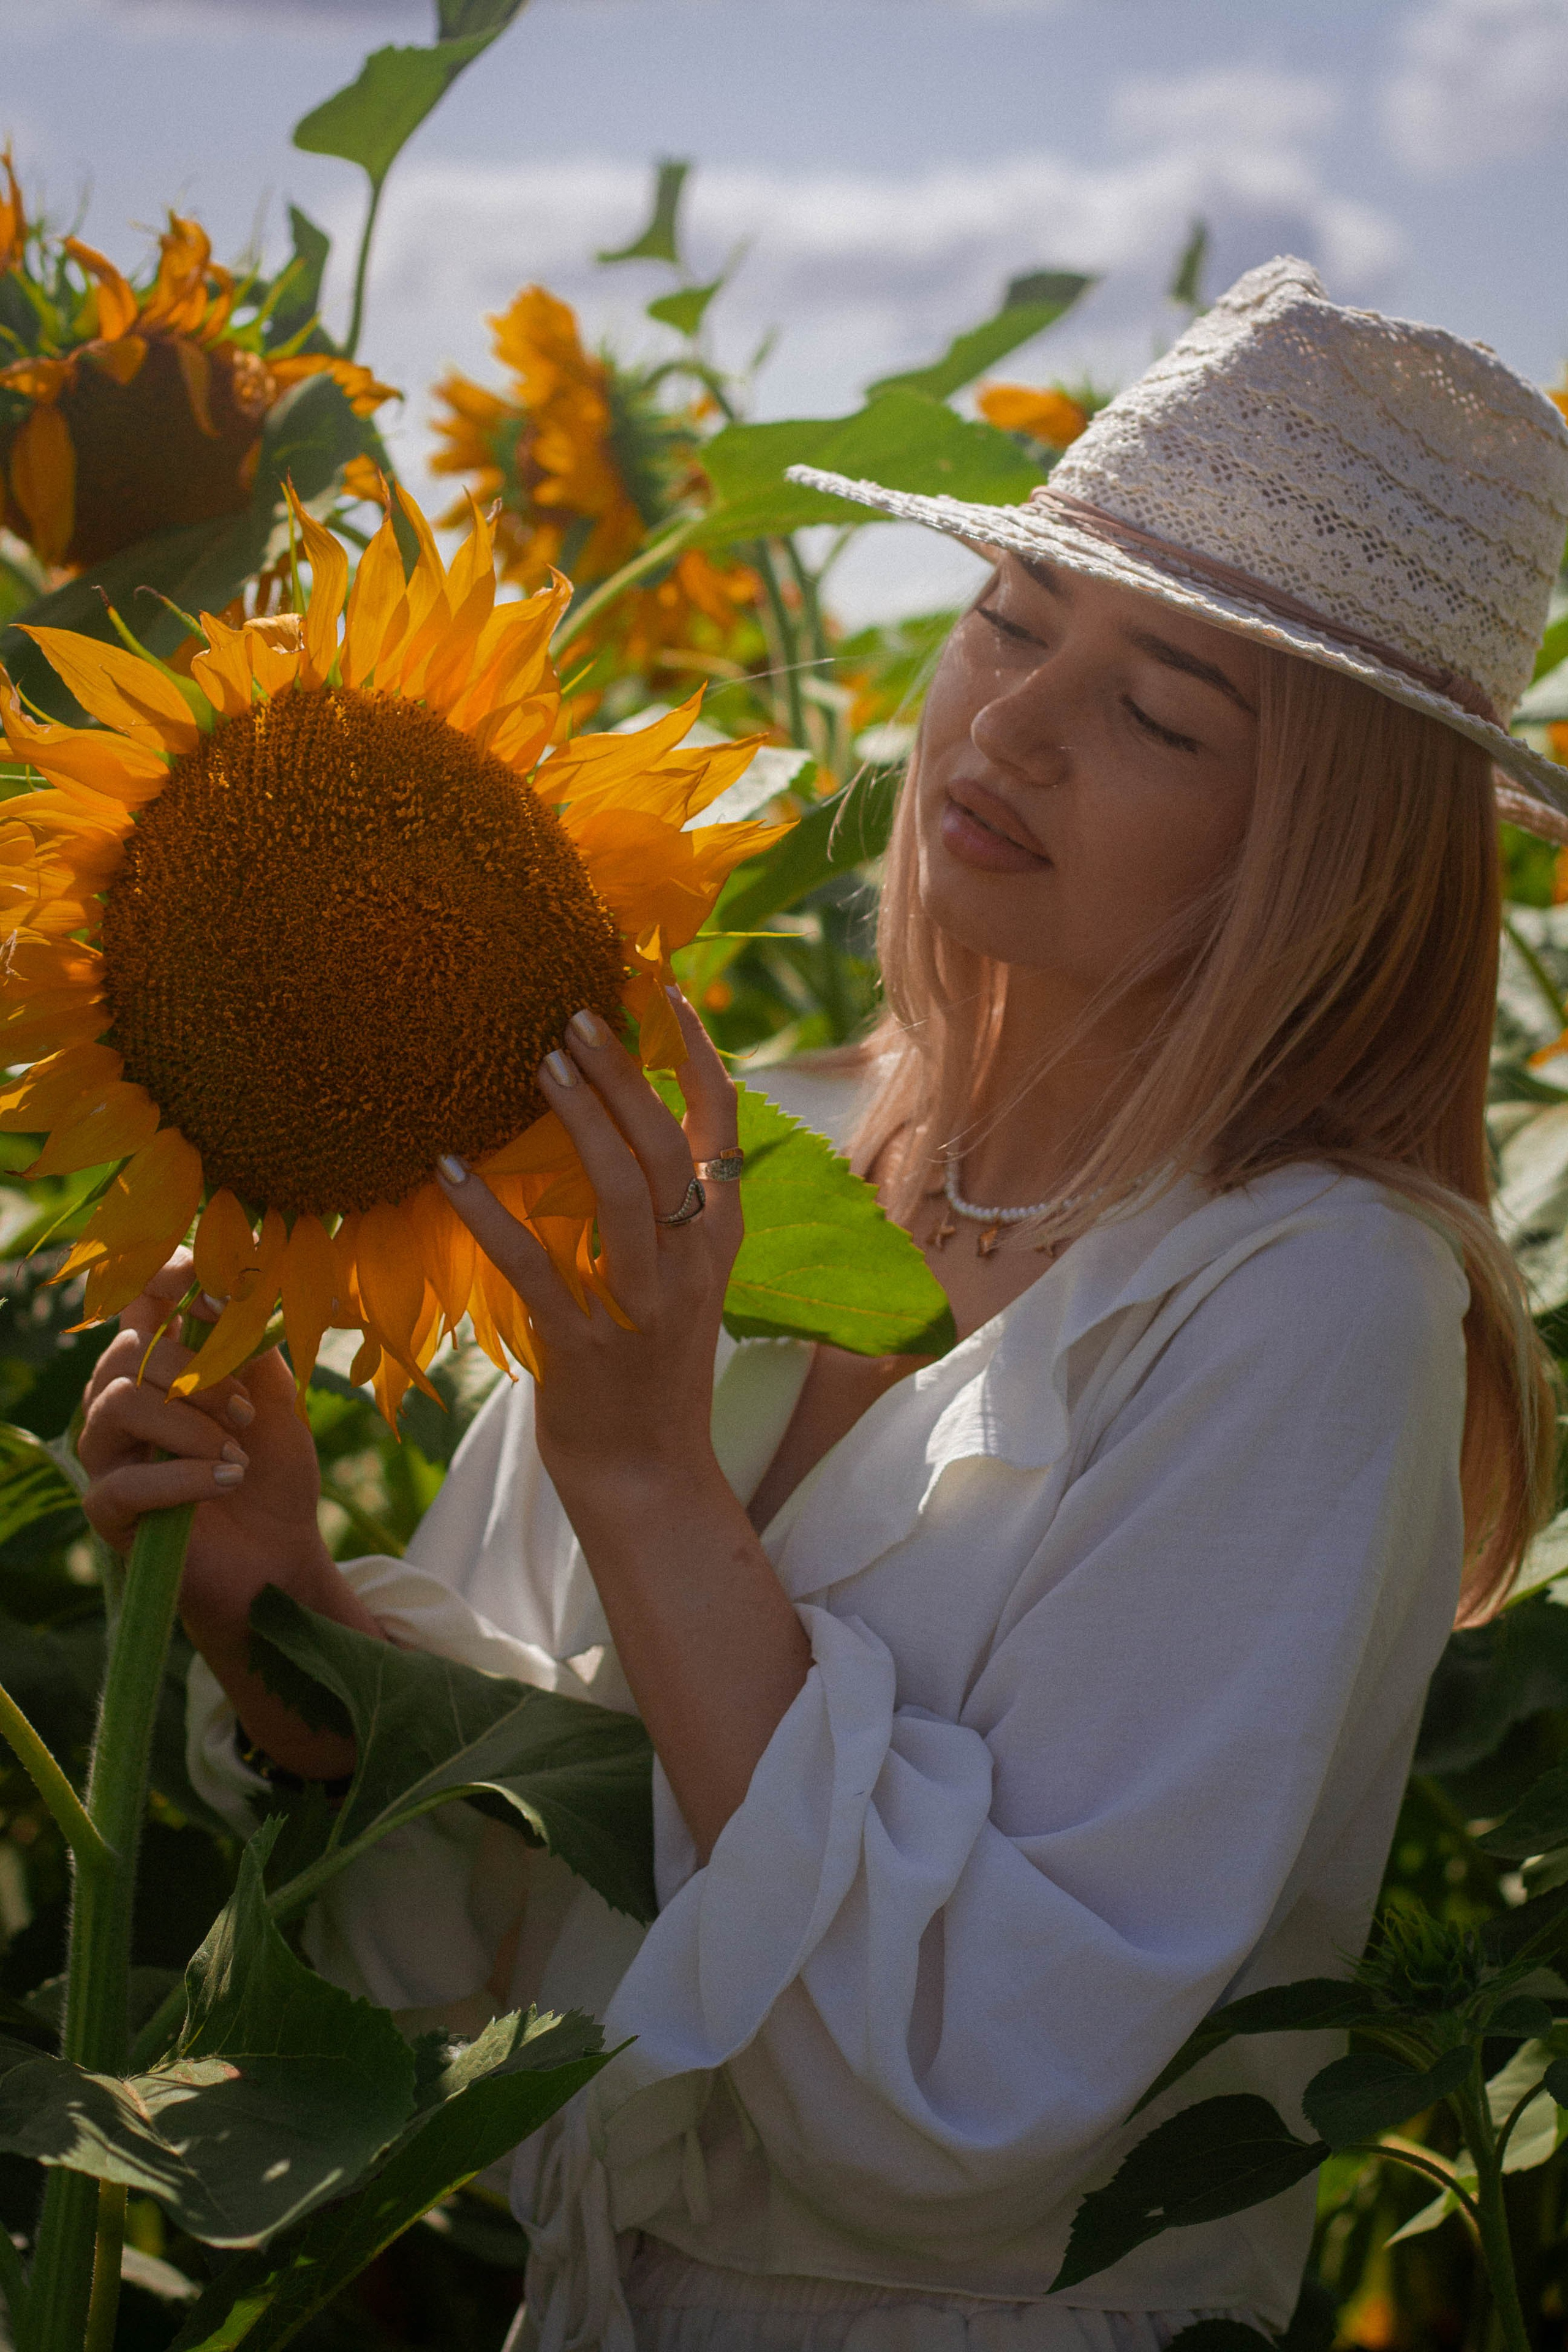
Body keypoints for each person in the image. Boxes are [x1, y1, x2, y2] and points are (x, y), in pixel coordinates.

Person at [77, 258, 1568, 2351]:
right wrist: (286, 1627)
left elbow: (963, 2104)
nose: (1018, 725)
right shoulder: (738, 1147)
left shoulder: (1314, 1303)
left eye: (1157, 711)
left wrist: (651, 1488)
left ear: (1316, 860)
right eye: (1014, 622)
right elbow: (479, 1968)